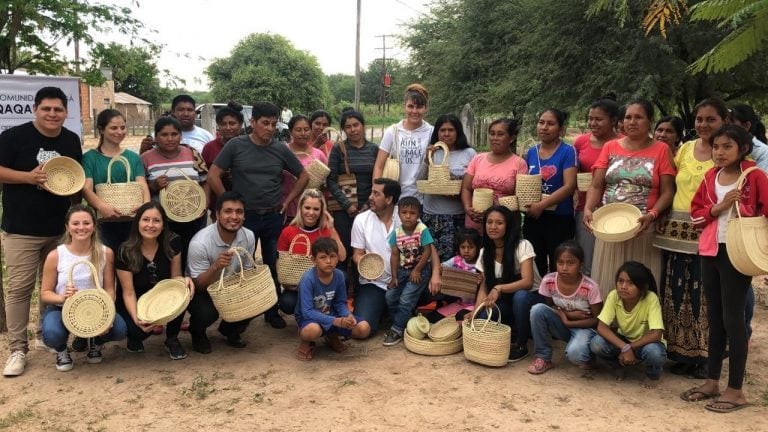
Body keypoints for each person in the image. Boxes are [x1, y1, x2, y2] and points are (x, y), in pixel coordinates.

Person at [0, 86, 83, 377]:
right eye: (46, 108)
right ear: (35, 109)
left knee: (51, 287)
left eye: (58, 109)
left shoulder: (71, 140)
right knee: (20, 289)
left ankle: (43, 335)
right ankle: (17, 349)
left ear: (66, 112)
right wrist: (28, 177)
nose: (52, 114)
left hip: (58, 230)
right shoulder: (14, 137)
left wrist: (76, 220)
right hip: (21, 229)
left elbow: (77, 180)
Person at [685, 125, 768, 413]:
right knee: (716, 316)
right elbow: (696, 214)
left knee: (734, 319)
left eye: (727, 147)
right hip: (711, 250)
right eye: (716, 147)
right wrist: (718, 207)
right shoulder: (711, 177)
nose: (720, 152)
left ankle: (736, 391)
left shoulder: (754, 176)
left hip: (738, 252)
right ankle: (712, 381)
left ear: (743, 149)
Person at [208, 101, 309, 329]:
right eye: (265, 123)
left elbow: (303, 175)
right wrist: (229, 207)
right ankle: (237, 314)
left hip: (274, 216)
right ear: (252, 122)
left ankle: (271, 311)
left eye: (274, 124)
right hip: (246, 219)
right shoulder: (236, 146)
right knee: (241, 263)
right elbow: (214, 175)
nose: (270, 128)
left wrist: (288, 200)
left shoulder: (280, 148)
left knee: (273, 263)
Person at [657, 98, 726, 380]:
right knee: (675, 292)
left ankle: (707, 358)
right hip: (676, 232)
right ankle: (680, 354)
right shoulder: (684, 149)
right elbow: (669, 185)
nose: (704, 124)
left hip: (710, 231)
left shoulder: (725, 152)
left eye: (711, 119)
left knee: (706, 294)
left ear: (723, 121)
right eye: (699, 119)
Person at [583, 100, 676, 300]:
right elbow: (597, 185)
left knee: (639, 283)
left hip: (642, 228)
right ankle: (608, 327)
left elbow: (668, 191)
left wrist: (652, 215)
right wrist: (588, 209)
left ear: (650, 121)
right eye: (628, 117)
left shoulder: (661, 150)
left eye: (638, 117)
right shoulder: (610, 147)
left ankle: (641, 328)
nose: (632, 122)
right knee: (609, 280)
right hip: (609, 227)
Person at [40, 205, 127, 371]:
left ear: (94, 226)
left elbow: (109, 289)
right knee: (52, 333)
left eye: (86, 223)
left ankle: (96, 341)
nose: (81, 227)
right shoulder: (56, 255)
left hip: (95, 308)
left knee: (119, 329)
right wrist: (62, 297)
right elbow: (45, 293)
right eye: (76, 223)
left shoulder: (105, 253)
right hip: (62, 308)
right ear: (67, 227)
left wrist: (106, 315)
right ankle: (61, 349)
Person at [350, 178, 440, 334]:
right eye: (372, 192)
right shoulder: (361, 220)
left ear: (389, 199)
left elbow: (430, 248)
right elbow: (356, 254)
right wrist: (366, 264)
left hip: (407, 279)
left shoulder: (407, 215)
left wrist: (436, 274)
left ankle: (396, 317)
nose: (370, 197)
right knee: (361, 330)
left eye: (376, 194)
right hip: (375, 284)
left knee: (436, 289)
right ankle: (388, 311)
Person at [116, 202, 195, 359]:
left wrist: (184, 280)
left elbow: (175, 276)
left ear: (163, 225)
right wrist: (137, 319)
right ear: (137, 222)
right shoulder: (126, 250)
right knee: (138, 330)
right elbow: (128, 292)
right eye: (145, 220)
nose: (150, 225)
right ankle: (134, 337)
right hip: (136, 299)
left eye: (156, 221)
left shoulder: (173, 242)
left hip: (163, 297)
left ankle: (172, 338)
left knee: (183, 290)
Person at [186, 192, 257, 353]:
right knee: (206, 312)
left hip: (231, 287)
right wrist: (215, 267)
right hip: (204, 290)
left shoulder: (249, 236)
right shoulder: (200, 242)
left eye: (239, 212)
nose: (234, 216)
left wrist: (247, 293)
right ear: (217, 214)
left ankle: (230, 329)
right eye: (228, 211)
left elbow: (247, 272)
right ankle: (197, 332)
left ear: (244, 215)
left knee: (257, 298)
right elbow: (198, 285)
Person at [472, 206, 542, 362]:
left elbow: (528, 282)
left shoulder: (522, 245)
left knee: (521, 297)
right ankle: (514, 331)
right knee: (482, 317)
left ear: (508, 225)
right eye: (489, 222)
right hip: (506, 300)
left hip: (532, 299)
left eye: (499, 223)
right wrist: (474, 312)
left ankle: (521, 345)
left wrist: (499, 287)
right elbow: (483, 286)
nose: (493, 227)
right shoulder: (485, 252)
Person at [141, 117, 209, 267]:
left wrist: (204, 206)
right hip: (163, 221)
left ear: (181, 135)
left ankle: (191, 288)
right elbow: (140, 188)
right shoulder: (146, 158)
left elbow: (205, 181)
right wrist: (153, 185)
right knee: (167, 257)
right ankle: (170, 287)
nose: (170, 138)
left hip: (194, 218)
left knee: (192, 256)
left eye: (174, 134)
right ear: (156, 136)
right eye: (164, 135)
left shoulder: (192, 154)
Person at [528, 241, 602, 374]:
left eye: (571, 263)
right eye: (560, 262)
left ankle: (589, 355)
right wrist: (570, 316)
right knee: (537, 310)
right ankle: (543, 357)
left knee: (576, 355)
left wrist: (569, 320)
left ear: (581, 265)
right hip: (562, 324)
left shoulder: (590, 287)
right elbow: (550, 306)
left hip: (585, 328)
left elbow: (597, 320)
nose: (564, 267)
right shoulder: (548, 281)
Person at [81, 109, 151, 252]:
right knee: (107, 262)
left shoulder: (133, 157)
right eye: (113, 128)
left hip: (133, 220)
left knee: (130, 262)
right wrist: (102, 207)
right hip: (104, 222)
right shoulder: (90, 158)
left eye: (122, 127)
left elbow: (142, 184)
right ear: (101, 129)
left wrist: (145, 206)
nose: (119, 131)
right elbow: (86, 188)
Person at [590, 261, 667, 387]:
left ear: (642, 287)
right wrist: (624, 347)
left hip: (646, 343)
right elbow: (601, 327)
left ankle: (653, 374)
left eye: (630, 283)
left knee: (655, 353)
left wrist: (629, 347)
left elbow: (656, 334)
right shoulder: (614, 295)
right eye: (620, 281)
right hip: (624, 341)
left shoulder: (650, 298)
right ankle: (617, 365)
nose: (623, 286)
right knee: (596, 344)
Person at [295, 237, 370, 361]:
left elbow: (340, 303)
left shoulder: (339, 275)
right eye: (323, 257)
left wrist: (347, 315)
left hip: (332, 314)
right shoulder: (308, 279)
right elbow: (307, 311)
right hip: (310, 318)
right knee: (311, 330)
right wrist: (336, 321)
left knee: (363, 329)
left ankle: (331, 336)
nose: (328, 261)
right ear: (314, 260)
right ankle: (306, 341)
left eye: (333, 256)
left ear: (337, 258)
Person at [523, 109, 578, 276]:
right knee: (535, 262)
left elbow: (569, 186)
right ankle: (536, 297)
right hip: (534, 217)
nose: (544, 127)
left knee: (559, 262)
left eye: (550, 123)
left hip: (560, 217)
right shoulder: (531, 152)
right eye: (541, 122)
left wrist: (542, 205)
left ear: (560, 129)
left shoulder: (568, 151)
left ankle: (557, 300)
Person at [326, 110, 378, 280]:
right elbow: (331, 180)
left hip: (370, 209)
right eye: (348, 127)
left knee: (366, 249)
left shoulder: (374, 149)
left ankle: (362, 288)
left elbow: (378, 180)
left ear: (363, 125)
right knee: (344, 250)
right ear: (343, 130)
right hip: (344, 210)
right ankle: (341, 288)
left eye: (356, 125)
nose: (353, 129)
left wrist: (368, 204)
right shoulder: (338, 149)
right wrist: (347, 205)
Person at [277, 189, 346, 315]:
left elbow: (341, 256)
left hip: (323, 285)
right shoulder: (288, 232)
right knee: (287, 303)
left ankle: (320, 312)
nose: (311, 213)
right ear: (300, 208)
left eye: (316, 209)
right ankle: (312, 312)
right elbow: (281, 264)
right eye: (307, 207)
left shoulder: (325, 231)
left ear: (321, 211)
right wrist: (286, 284)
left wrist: (332, 228)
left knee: (342, 276)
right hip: (297, 285)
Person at [573, 98, 621, 276]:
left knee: (612, 259)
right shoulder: (581, 142)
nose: (593, 123)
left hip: (615, 209)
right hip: (586, 209)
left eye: (598, 119)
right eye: (590, 118)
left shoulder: (624, 143)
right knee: (587, 258)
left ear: (614, 120)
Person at [422, 114, 477, 262]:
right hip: (432, 215)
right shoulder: (433, 151)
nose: (446, 134)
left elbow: (475, 183)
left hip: (457, 216)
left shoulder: (469, 153)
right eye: (442, 130)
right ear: (437, 133)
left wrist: (455, 186)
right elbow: (421, 180)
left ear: (458, 132)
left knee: (457, 260)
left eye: (451, 130)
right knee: (432, 259)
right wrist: (427, 160)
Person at [383, 196, 436, 346]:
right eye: (404, 212)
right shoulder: (396, 233)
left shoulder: (422, 230)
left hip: (420, 271)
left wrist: (417, 270)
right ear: (398, 214)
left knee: (406, 299)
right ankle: (402, 321)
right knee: (390, 296)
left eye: (412, 213)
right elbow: (394, 255)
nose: (408, 216)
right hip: (402, 270)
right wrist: (394, 277)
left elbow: (427, 251)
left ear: (418, 215)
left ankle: (397, 329)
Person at [461, 118, 527, 232]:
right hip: (476, 222)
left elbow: (520, 198)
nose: (495, 138)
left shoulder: (519, 163)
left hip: (503, 225)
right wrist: (468, 208)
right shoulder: (478, 159)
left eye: (500, 134)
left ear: (511, 138)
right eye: (492, 134)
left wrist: (494, 210)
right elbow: (466, 188)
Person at [373, 84, 433, 200]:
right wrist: (377, 194)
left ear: (426, 108)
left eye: (419, 107)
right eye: (410, 106)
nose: (414, 111)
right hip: (395, 199)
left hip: (423, 200)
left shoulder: (432, 132)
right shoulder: (393, 131)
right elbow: (379, 166)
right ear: (404, 106)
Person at [282, 115, 329, 221]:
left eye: (306, 130)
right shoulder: (282, 151)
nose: (303, 133)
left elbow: (328, 180)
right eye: (298, 130)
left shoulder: (318, 154)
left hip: (311, 213)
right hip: (286, 210)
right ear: (291, 132)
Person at [201, 102, 244, 216]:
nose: (228, 128)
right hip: (218, 205)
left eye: (232, 123)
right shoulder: (209, 148)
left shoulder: (247, 146)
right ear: (218, 126)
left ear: (240, 125)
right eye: (223, 124)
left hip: (246, 204)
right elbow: (205, 178)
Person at [434, 228, 482, 319]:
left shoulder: (480, 264)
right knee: (434, 317)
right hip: (459, 302)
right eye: (463, 247)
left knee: (460, 317)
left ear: (478, 248)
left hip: (475, 305)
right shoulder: (457, 260)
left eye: (471, 247)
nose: (466, 251)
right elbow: (441, 267)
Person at [140, 95, 213, 155]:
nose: (186, 114)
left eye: (190, 110)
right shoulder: (157, 137)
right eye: (181, 110)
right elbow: (144, 163)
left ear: (195, 113)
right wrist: (143, 149)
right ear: (173, 112)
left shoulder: (207, 136)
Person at [729, 103, 768, 171]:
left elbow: (762, 179)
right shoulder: (722, 146)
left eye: (732, 123)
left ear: (747, 125)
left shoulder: (763, 152)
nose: (727, 127)